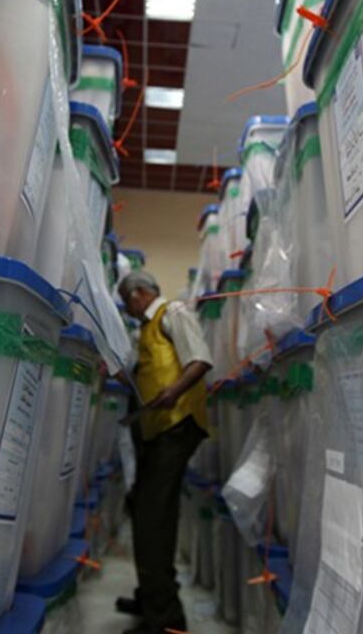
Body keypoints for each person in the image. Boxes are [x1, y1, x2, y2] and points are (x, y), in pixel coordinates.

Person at [115, 270, 213, 634]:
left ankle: (166, 620)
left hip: (177, 425)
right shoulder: (147, 329)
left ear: (139, 293)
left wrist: (173, 392)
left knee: (151, 517)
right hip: (157, 430)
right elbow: (150, 373)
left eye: (127, 301)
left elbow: (200, 359)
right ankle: (153, 598)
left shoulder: (171, 313)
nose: (127, 309)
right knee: (151, 512)